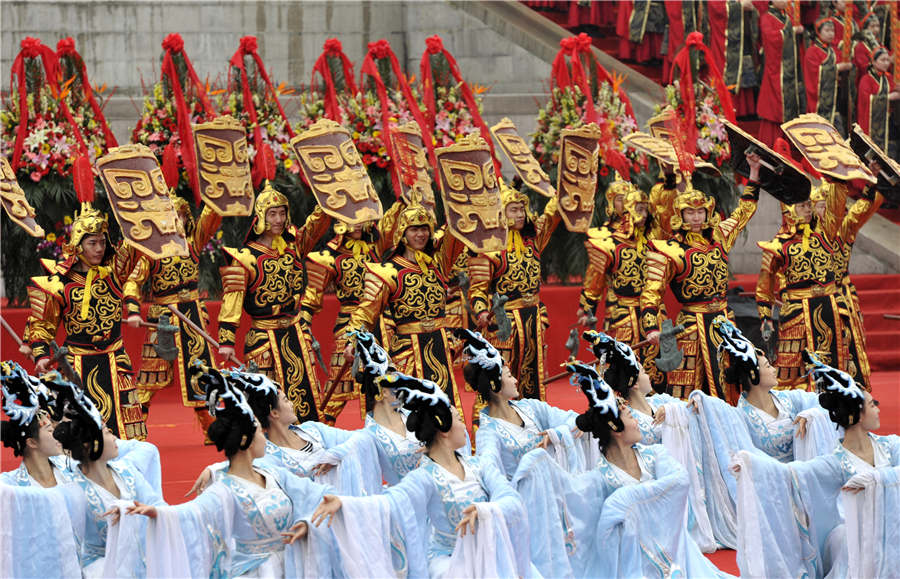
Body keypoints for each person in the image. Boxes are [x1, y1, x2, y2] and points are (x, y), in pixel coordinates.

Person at [310, 372, 531, 578]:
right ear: (444, 430)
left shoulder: (479, 466)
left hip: (488, 553)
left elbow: (511, 498)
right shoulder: (424, 477)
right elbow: (389, 503)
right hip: (450, 564)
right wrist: (344, 504)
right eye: (458, 419)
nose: (464, 426)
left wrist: (486, 510)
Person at [125, 375, 339, 577]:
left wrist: (310, 521)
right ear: (246, 441)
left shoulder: (273, 473)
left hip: (291, 568)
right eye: (259, 432)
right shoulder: (223, 491)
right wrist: (160, 514)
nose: (264, 437)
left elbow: (317, 494)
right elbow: (191, 514)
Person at [730, 351, 899, 578]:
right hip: (857, 535)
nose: (878, 409)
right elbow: (791, 474)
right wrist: (753, 467)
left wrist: (876, 480)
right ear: (857, 415)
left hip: (892, 527)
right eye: (872, 404)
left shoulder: (889, 446)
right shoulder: (835, 463)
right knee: (850, 542)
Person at [640, 154, 761, 401]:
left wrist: (754, 173)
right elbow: (651, 292)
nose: (696, 218)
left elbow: (744, 211)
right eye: (690, 213)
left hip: (723, 323)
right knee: (687, 392)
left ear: (708, 213)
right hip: (692, 326)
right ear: (680, 215)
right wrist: (651, 327)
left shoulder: (720, 237)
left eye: (700, 212)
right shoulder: (669, 249)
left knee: (729, 385)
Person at [26, 204, 146, 439]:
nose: (99, 248)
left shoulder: (115, 271)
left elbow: (136, 242)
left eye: (102, 242)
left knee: (126, 434)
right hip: (76, 364)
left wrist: (140, 206)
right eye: (92, 243)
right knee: (79, 434)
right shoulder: (59, 283)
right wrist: (41, 356)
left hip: (115, 360)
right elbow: (42, 326)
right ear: (78, 245)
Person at [217, 180, 331, 422]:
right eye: (272, 214)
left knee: (307, 400)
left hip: (296, 334)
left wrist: (330, 196)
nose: (278, 220)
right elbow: (232, 301)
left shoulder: (294, 246)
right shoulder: (245, 258)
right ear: (260, 217)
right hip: (263, 340)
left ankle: (307, 438)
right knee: (264, 405)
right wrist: (226, 340)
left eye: (282, 213)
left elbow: (317, 225)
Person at [345, 199, 466, 416]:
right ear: (403, 233)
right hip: (407, 351)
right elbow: (366, 311)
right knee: (410, 412)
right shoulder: (387, 271)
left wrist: (460, 201)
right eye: (414, 230)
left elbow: (456, 232)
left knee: (444, 408)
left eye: (424, 229)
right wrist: (353, 339)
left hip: (439, 346)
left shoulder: (439, 263)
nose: (420, 234)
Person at [124, 195, 221, 439]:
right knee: (150, 375)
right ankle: (134, 431)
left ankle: (213, 429)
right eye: (167, 216)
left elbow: (211, 217)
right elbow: (133, 281)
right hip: (163, 318)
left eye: (179, 216)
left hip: (193, 315)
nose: (174, 221)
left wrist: (217, 192)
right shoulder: (151, 252)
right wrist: (133, 310)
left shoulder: (193, 243)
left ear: (187, 219)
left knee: (201, 373)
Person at [51, 372, 163, 576]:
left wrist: (152, 512)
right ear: (90, 445)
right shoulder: (73, 490)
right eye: (107, 432)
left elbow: (160, 508)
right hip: (99, 570)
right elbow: (65, 544)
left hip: (140, 563)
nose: (113, 437)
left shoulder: (128, 472)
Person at [579, 174, 675, 393]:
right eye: (639, 209)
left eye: (645, 209)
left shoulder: (655, 239)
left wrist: (671, 185)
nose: (644, 214)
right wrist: (587, 307)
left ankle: (657, 401)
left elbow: (668, 215)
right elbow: (595, 278)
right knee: (625, 363)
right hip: (624, 313)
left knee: (657, 366)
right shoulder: (611, 243)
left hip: (654, 312)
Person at [467, 182, 560, 401]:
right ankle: (493, 417)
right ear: (501, 213)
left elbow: (551, 216)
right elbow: (477, 290)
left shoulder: (533, 239)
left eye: (522, 209)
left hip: (532, 318)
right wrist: (482, 312)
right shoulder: (488, 248)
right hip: (504, 323)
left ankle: (531, 415)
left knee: (532, 376)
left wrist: (560, 193)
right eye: (514, 210)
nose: (520, 214)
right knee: (501, 376)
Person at [756, 181, 851, 389]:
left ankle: (833, 404)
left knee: (833, 365)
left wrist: (838, 178)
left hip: (828, 307)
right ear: (789, 209)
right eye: (802, 206)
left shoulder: (825, 231)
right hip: (796, 312)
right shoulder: (777, 245)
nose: (808, 210)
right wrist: (765, 317)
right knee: (789, 370)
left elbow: (837, 205)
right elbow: (765, 286)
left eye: (809, 205)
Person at [457, 328, 581, 479]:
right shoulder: (487, 433)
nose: (516, 380)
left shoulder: (531, 407)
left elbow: (575, 420)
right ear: (495, 385)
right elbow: (488, 472)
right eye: (510, 376)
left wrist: (556, 434)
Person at [813, 177, 884, 389]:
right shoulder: (806, 235)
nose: (827, 210)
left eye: (830, 205)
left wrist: (871, 185)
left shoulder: (844, 229)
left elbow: (861, 211)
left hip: (842, 294)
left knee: (852, 343)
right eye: (822, 205)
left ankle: (858, 390)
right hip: (816, 298)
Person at [0, 361, 68, 487]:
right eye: (50, 430)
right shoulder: (9, 486)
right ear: (32, 442)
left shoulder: (72, 469)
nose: (58, 434)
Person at [757, 0, 806, 146]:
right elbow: (771, 38)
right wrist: (790, 31)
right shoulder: (767, 17)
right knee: (775, 104)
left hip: (790, 70)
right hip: (776, 69)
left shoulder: (788, 17)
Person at [805, 18, 854, 133]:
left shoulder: (833, 51)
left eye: (832, 31)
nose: (831, 34)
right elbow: (815, 73)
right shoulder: (812, 51)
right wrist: (837, 68)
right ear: (818, 32)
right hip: (819, 101)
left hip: (835, 99)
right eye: (827, 30)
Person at [857, 46, 899, 155]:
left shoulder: (889, 79)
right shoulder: (866, 80)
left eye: (887, 60)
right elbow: (867, 101)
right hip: (872, 126)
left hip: (888, 124)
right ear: (873, 62)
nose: (886, 63)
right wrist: (888, 98)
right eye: (882, 60)